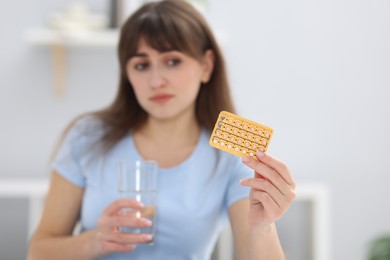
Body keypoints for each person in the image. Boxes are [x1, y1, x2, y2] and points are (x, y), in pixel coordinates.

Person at [28, 0, 296, 259]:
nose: (156, 81)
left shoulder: (231, 155)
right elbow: (38, 253)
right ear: (127, 74)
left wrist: (264, 227)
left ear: (206, 65)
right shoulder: (88, 137)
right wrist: (95, 242)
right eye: (141, 65)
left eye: (172, 61)